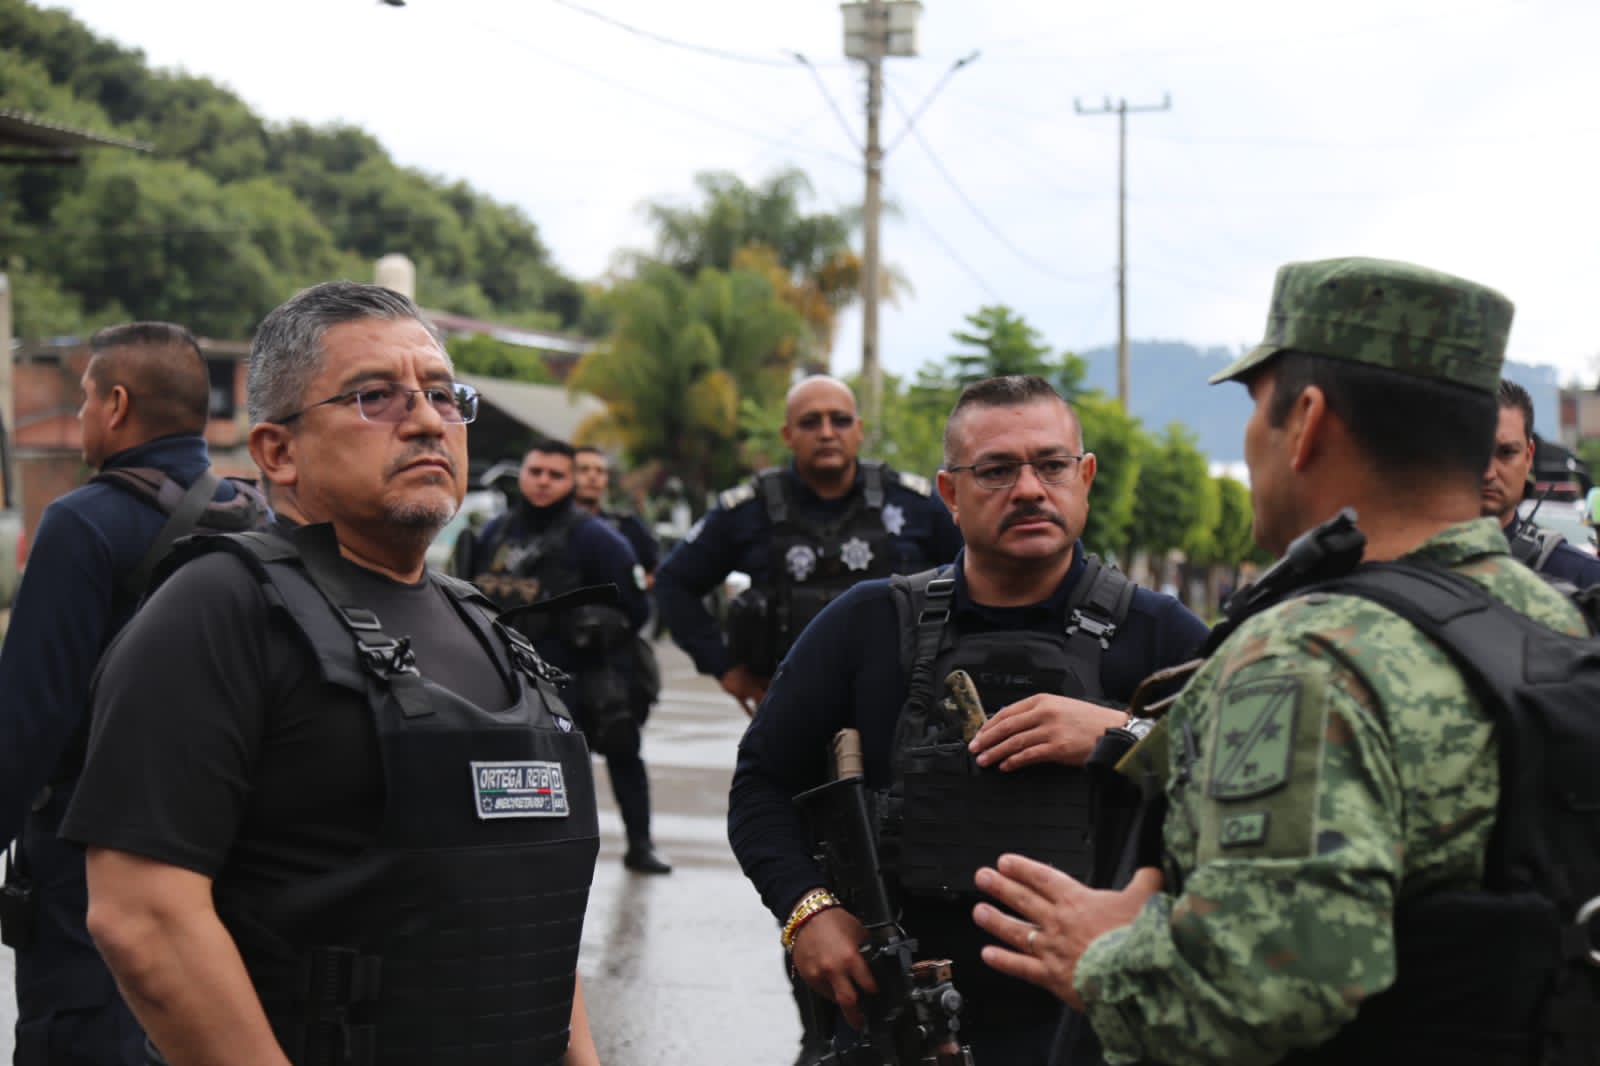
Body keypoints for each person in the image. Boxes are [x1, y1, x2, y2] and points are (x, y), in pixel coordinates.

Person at [971, 258, 1593, 1064]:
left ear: (1307, 421)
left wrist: (1098, 956)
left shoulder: (1307, 657)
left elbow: (1262, 992)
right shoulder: (1547, 615)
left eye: (1255, 407)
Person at [59, 282, 602, 1065]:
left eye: (442, 396)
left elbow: (524, 912)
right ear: (278, 451)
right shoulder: (218, 610)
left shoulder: (486, 625)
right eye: (375, 396)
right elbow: (142, 916)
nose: (426, 420)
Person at [728, 375, 1209, 1064]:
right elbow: (761, 783)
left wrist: (1124, 736)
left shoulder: (1162, 636)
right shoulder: (867, 624)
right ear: (949, 493)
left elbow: (1241, 793)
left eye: (1051, 465)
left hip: (1098, 1029)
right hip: (903, 1020)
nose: (1029, 489)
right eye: (996, 470)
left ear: (1085, 477)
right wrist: (807, 910)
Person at [0, 322, 269, 1066]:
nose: (82, 415)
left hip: (91, 861)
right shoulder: (259, 519)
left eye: (85, 398)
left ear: (116, 405)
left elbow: (29, 716)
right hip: (230, 848)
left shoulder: (83, 522)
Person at [656, 374, 964, 717]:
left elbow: (976, 574)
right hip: (791, 711)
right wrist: (724, 668)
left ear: (859, 430)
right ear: (787, 435)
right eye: (810, 422)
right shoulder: (748, 510)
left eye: (840, 420)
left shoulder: (914, 504)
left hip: (902, 709)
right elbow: (673, 583)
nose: (827, 433)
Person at [459, 440, 667, 875]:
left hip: (578, 677)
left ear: (571, 481)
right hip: (507, 674)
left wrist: (594, 625)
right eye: (535, 472)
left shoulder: (598, 539)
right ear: (522, 474)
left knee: (620, 753)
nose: (543, 482)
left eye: (555, 475)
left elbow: (636, 608)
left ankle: (639, 844)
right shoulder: (495, 533)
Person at [1482, 378, 1600, 585]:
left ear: (1528, 456)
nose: (1489, 473)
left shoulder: (1584, 578)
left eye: (1507, 452)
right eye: (1477, 452)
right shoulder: (1419, 565)